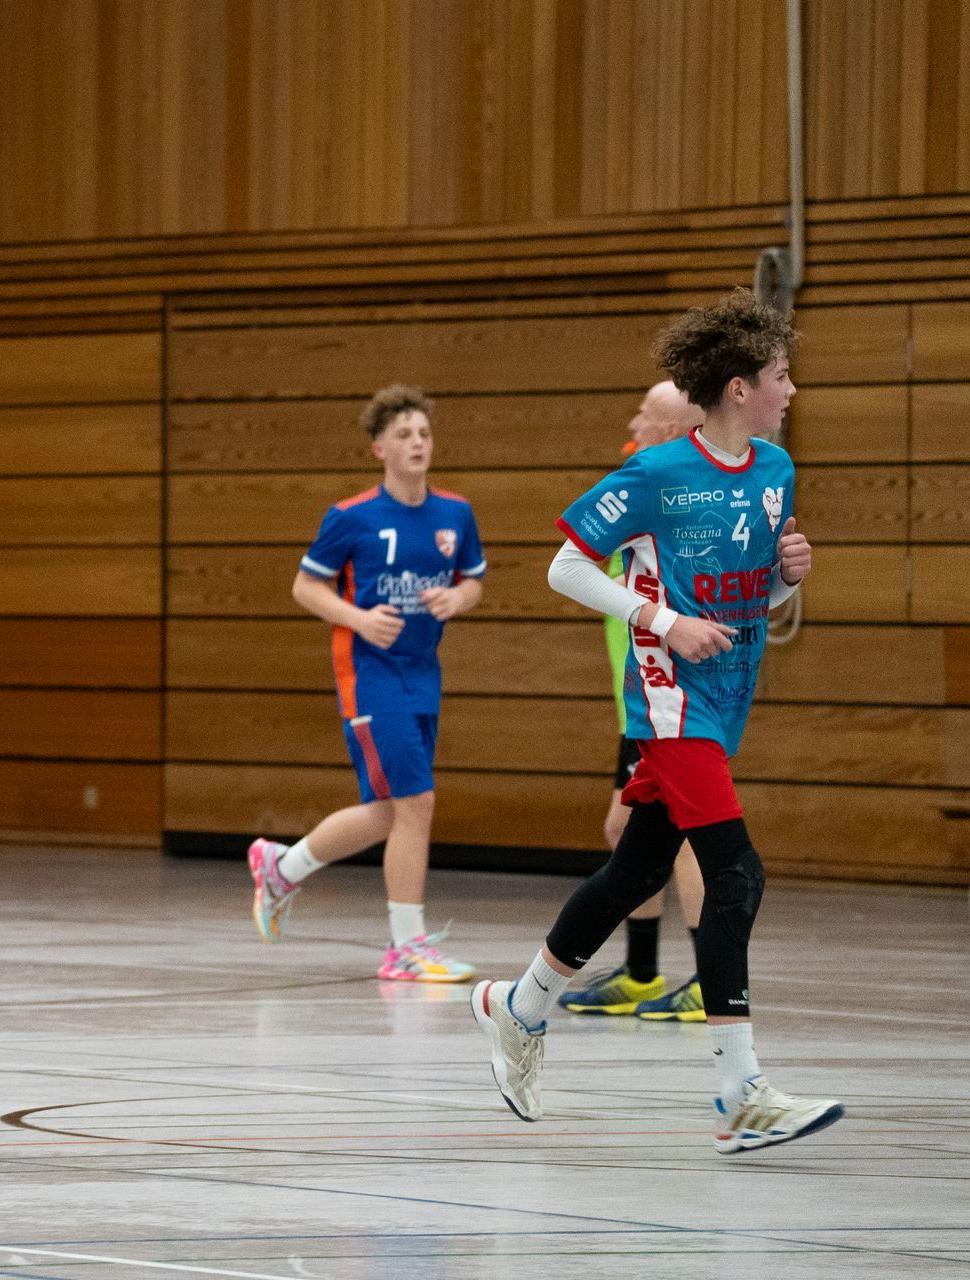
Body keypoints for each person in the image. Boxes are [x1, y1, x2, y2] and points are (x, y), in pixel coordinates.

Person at [471, 290, 843, 1153]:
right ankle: (740, 1095)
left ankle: (519, 1005)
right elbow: (566, 568)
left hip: (729, 691)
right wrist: (662, 622)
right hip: (670, 699)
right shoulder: (656, 474)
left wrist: (787, 574)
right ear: (741, 387)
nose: (792, 389)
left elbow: (756, 597)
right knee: (735, 873)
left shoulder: (776, 471)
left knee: (636, 866)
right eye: (782, 375)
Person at [247, 384, 486, 982]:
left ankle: (282, 868)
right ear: (379, 447)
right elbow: (306, 586)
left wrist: (456, 598)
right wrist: (358, 618)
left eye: (424, 433)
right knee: (417, 804)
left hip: (423, 673)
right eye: (404, 434)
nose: (417, 443)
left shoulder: (455, 513)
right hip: (371, 677)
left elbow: (474, 581)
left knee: (389, 812)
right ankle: (405, 948)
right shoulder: (352, 516)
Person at [558, 382, 709, 1021]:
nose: (632, 422)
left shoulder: (668, 496)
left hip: (670, 697)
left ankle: (710, 981)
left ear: (671, 429)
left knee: (686, 836)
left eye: (645, 415)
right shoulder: (646, 488)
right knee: (627, 829)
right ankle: (643, 973)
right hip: (643, 702)